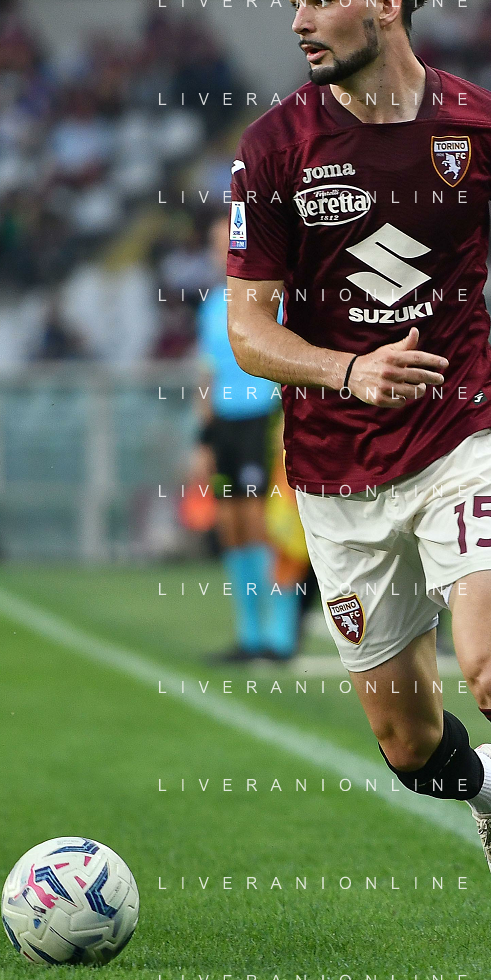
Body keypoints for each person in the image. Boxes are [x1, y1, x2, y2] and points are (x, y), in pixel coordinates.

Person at [225, 0, 491, 959]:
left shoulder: (489, 128)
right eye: (294, 1)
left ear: (387, 4)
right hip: (335, 472)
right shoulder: (274, 148)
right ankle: (487, 790)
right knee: (408, 745)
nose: (300, 20)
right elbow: (248, 330)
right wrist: (346, 369)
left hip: (463, 436)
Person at [195, 216, 292, 661]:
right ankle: (249, 635)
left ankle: (278, 635)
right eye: (216, 244)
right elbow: (207, 374)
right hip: (225, 427)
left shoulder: (272, 298)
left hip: (262, 417)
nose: (222, 252)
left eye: (227, 242)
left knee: (262, 524)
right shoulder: (212, 305)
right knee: (231, 527)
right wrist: (204, 439)